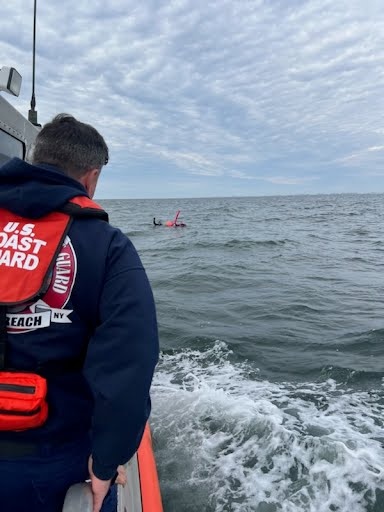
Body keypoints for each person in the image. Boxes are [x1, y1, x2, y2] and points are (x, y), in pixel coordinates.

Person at [0, 114, 159, 512]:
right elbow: (128, 364)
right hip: (57, 460)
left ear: (34, 156)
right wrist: (105, 463)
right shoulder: (109, 248)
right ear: (90, 178)